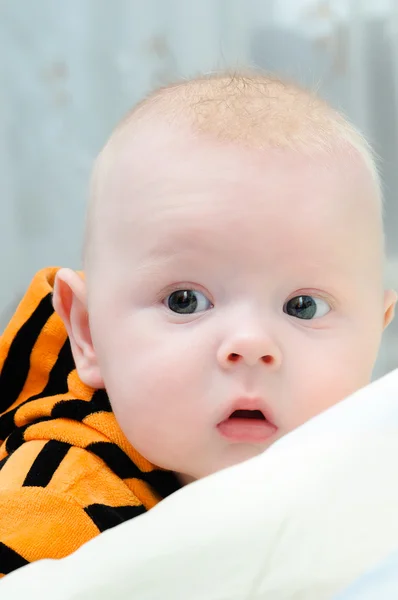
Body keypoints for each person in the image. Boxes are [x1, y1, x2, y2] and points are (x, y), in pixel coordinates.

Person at [0, 71, 396, 577]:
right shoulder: (52, 504)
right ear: (89, 333)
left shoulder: (366, 467)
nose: (251, 345)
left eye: (304, 307)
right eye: (186, 301)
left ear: (376, 333)